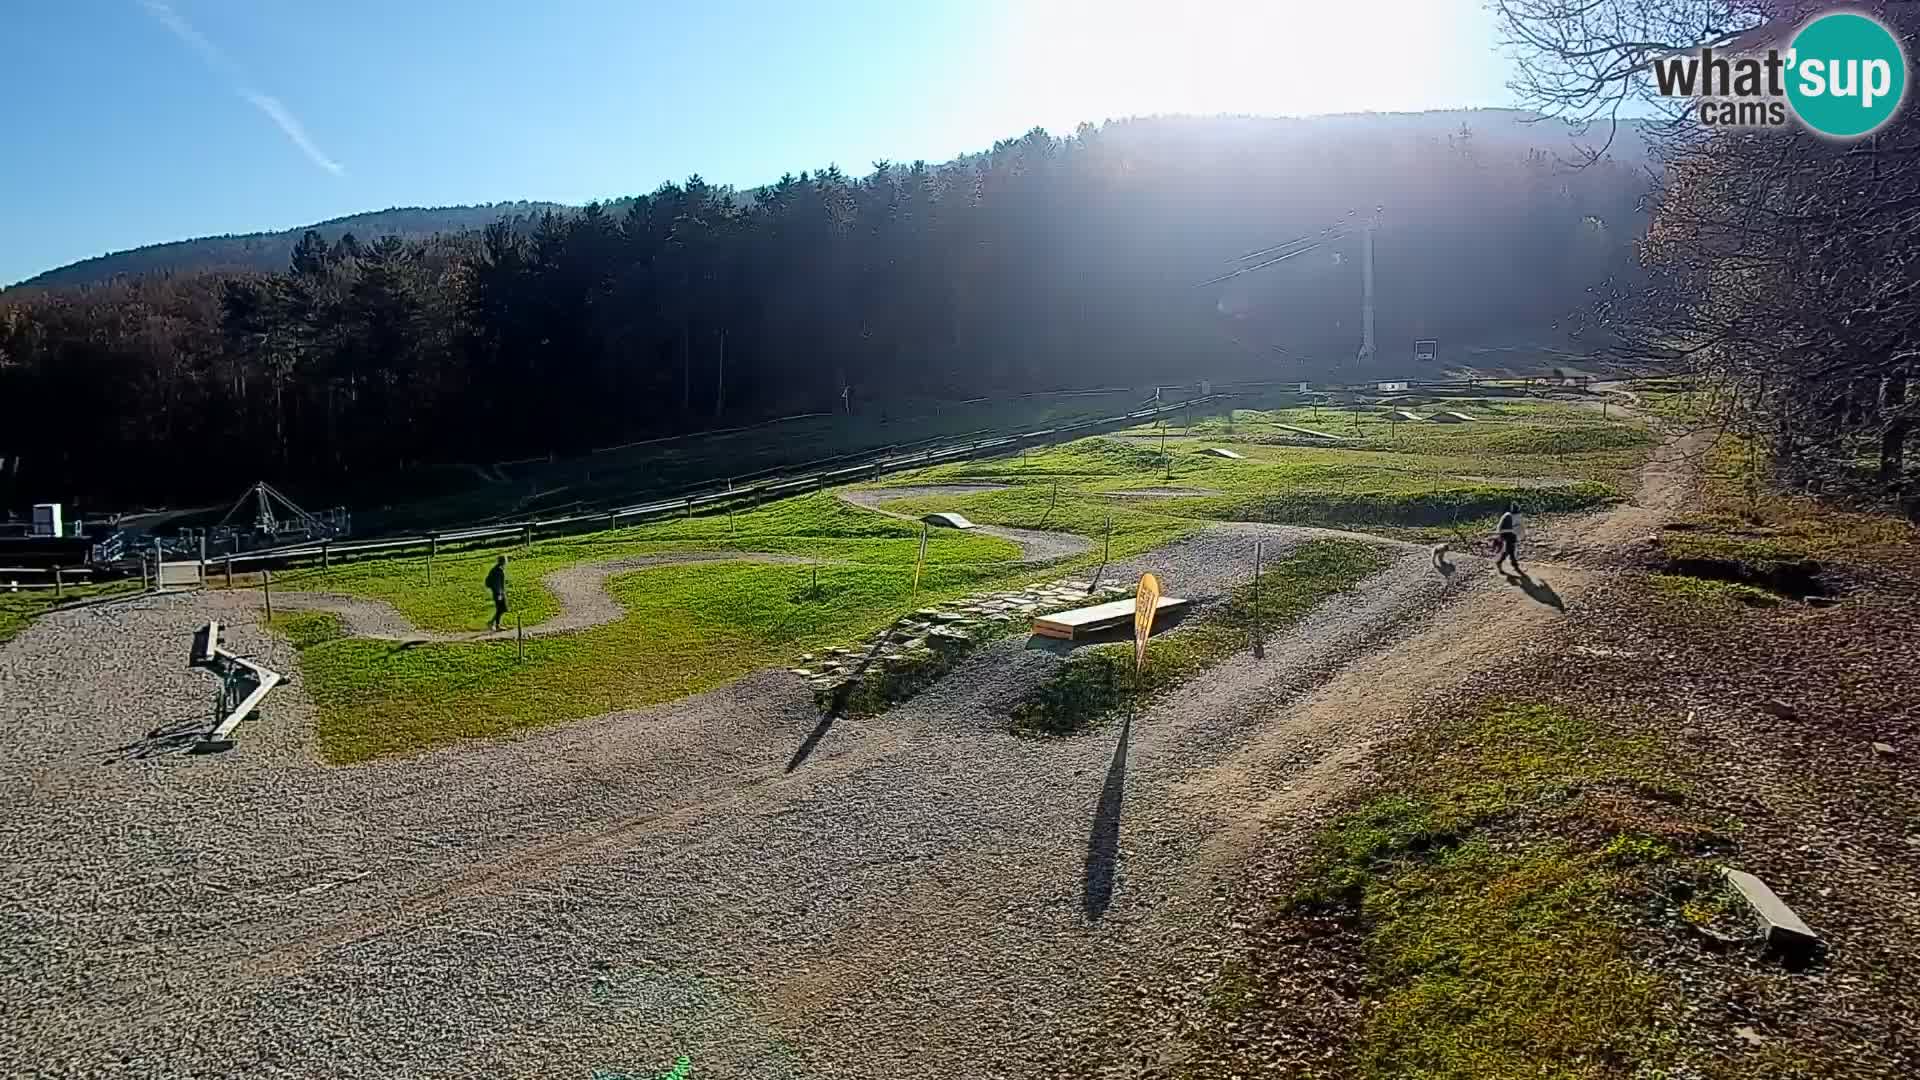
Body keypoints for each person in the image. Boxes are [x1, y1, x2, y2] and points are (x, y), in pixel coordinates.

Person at [1494, 503, 1521, 575]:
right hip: (1507, 535)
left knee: (1512, 549)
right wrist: (1500, 536)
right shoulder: (1507, 516)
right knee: (1508, 550)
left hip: (1512, 535)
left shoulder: (1515, 516)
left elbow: (1517, 526)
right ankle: (1499, 562)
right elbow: (1500, 528)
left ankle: (1514, 563)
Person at [485, 556, 508, 631]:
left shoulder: (496, 569)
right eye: (505, 560)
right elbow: (498, 584)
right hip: (498, 593)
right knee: (501, 609)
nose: (506, 561)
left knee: (502, 609)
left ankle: (492, 623)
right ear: (503, 561)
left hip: (498, 592)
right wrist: (500, 594)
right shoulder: (498, 571)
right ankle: (496, 625)